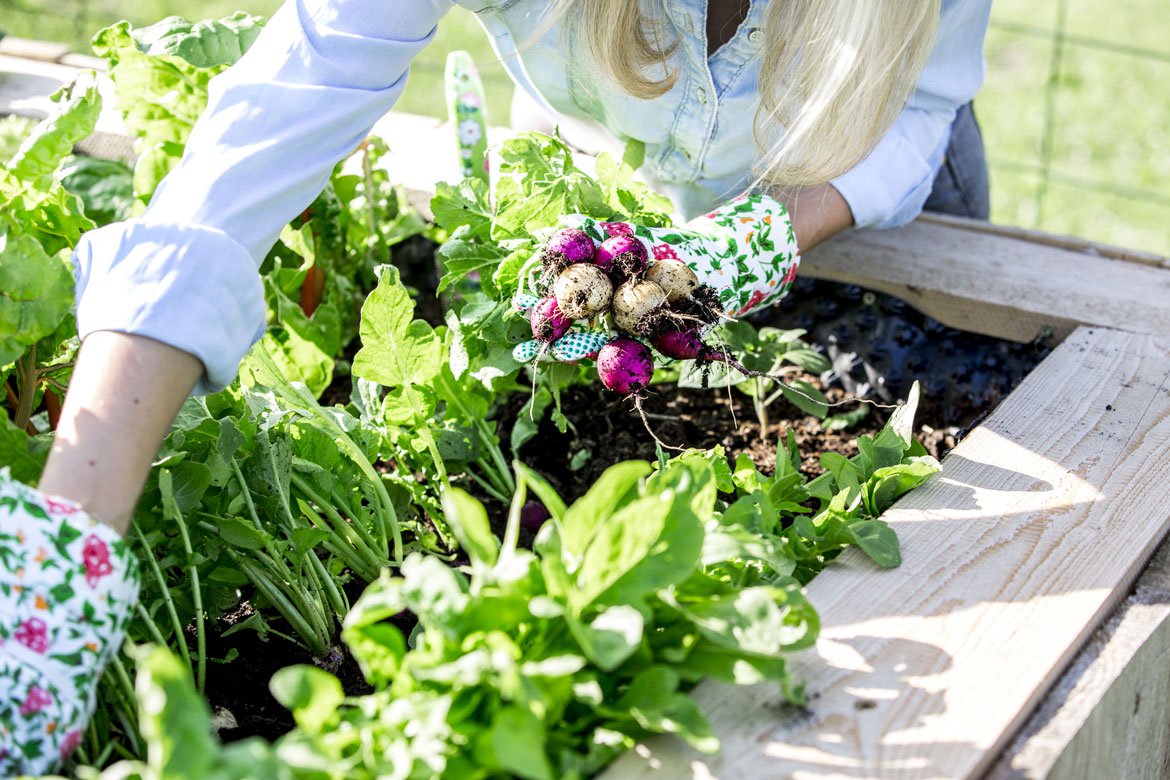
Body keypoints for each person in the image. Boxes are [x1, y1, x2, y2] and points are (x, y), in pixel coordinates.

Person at [0, 0, 992, 772]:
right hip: (608, 185)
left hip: (870, 218)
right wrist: (70, 536)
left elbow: (923, 112)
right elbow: (274, 117)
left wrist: (780, 228)